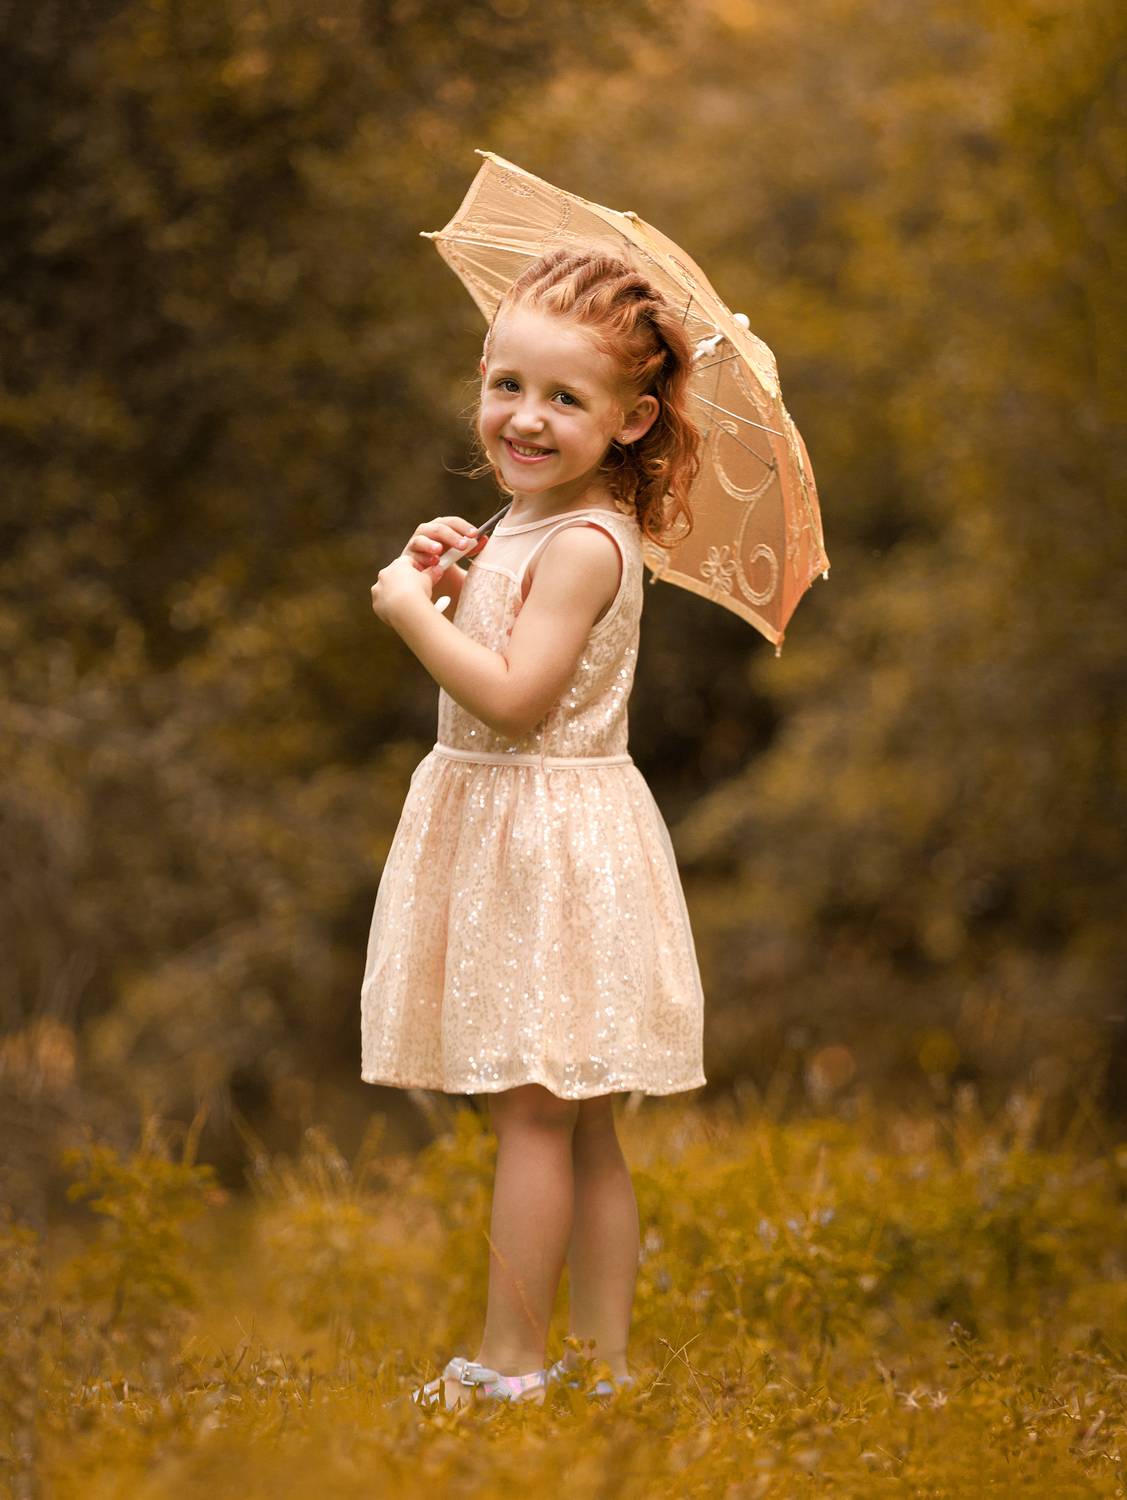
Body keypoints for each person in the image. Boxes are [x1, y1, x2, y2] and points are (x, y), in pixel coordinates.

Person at [363, 246, 708, 1410]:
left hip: (547, 844)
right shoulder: (523, 524)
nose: (525, 416)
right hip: (525, 834)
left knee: (533, 1111)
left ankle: (506, 1369)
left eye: (565, 398)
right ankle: (600, 1371)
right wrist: (459, 584)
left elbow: (514, 702)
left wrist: (411, 616)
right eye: (507, 384)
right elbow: (511, 655)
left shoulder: (580, 541)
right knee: (574, 1118)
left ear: (630, 420)